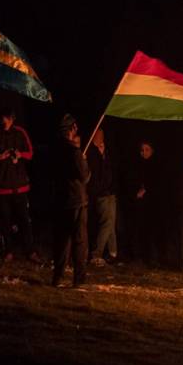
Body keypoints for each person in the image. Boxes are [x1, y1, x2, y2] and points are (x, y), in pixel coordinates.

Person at [0, 107, 40, 263]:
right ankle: (8, 251)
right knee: (5, 221)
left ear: (13, 119)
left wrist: (20, 154)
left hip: (20, 186)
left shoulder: (20, 133)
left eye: (7, 118)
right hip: (1, 188)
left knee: (24, 221)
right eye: (3, 118)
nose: (4, 121)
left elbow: (30, 153)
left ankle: (30, 251)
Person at [49, 114, 91, 287]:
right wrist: (84, 162)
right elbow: (85, 176)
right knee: (80, 241)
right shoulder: (74, 152)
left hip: (60, 199)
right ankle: (79, 279)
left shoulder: (54, 150)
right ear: (72, 129)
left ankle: (57, 277)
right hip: (76, 200)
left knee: (62, 240)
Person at [128, 140, 164, 266]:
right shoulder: (136, 165)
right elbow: (131, 181)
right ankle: (138, 257)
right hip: (140, 204)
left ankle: (154, 259)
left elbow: (159, 183)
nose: (144, 152)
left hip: (153, 204)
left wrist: (147, 189)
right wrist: (136, 192)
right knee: (138, 230)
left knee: (153, 231)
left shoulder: (157, 165)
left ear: (152, 150)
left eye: (147, 149)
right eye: (142, 150)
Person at [87, 127, 119, 267]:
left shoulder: (107, 150)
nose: (100, 137)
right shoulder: (90, 152)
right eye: (97, 134)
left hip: (110, 191)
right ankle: (96, 253)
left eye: (101, 134)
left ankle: (113, 252)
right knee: (106, 222)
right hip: (100, 193)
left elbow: (111, 169)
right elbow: (95, 174)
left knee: (111, 222)